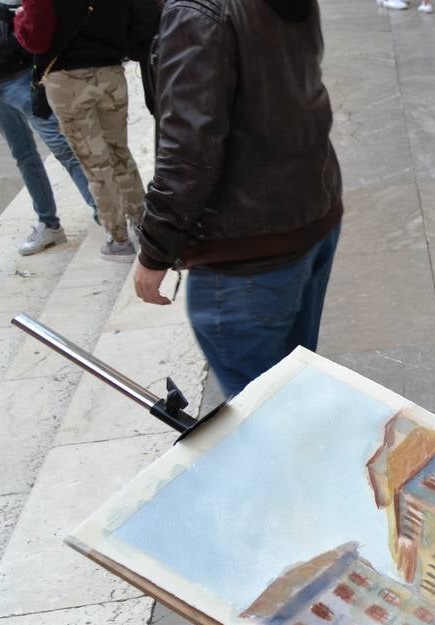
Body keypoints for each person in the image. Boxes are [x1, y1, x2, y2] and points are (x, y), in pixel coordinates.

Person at [130, 0, 343, 398]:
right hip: (308, 212)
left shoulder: (198, 12)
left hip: (248, 249)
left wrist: (154, 252)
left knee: (263, 413)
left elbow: (188, 152)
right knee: (290, 390)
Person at [14, 0, 156, 260]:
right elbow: (144, 21)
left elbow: (35, 39)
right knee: (119, 152)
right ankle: (144, 225)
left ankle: (118, 239)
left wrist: (19, 18)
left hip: (67, 81)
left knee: (95, 164)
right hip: (110, 72)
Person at [0, 0, 94, 255]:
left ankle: (105, 216)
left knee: (63, 147)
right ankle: (48, 223)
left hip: (20, 75)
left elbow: (29, 14)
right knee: (23, 155)